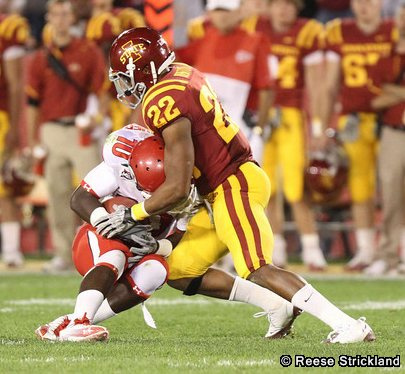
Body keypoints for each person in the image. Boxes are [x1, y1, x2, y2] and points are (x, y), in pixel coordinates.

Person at [103, 27, 375, 344]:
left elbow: (177, 186)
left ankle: (348, 325)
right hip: (220, 189)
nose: (123, 85)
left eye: (125, 75)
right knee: (179, 269)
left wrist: (132, 213)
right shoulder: (180, 71)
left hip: (233, 184)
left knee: (256, 266)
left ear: (143, 68)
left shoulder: (162, 100)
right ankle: (277, 307)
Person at [36, 124, 300, 341]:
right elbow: (79, 198)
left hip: (140, 250)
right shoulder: (119, 164)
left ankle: (75, 323)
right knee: (115, 251)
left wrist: (154, 247)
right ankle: (79, 320)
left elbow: (175, 238)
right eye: (147, 191)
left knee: (158, 271)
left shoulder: (183, 184)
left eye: (161, 192)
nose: (153, 198)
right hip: (97, 240)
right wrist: (108, 222)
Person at [25, 0, 108, 272]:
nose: (60, 20)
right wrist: (33, 139)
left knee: (94, 192)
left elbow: (102, 90)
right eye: (56, 15)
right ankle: (62, 252)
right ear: (49, 18)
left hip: (79, 128)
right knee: (57, 193)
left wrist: (98, 120)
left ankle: (99, 249)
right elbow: (32, 104)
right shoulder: (40, 57)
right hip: (51, 130)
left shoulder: (87, 51)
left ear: (72, 18)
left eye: (65, 14)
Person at [246, 0, 328, 269]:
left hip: (290, 115)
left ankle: (312, 248)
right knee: (267, 186)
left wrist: (317, 126)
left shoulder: (307, 32)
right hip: (262, 115)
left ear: (298, 8)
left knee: (295, 187)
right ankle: (276, 247)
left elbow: (316, 85)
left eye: (289, 5)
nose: (283, 10)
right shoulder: (256, 25)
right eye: (277, 4)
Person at [323, 0, 398, 270]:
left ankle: (394, 249)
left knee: (394, 187)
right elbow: (330, 85)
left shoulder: (394, 30)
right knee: (360, 187)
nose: (365, 6)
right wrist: (322, 125)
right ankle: (367, 250)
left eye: (370, 1)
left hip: (390, 119)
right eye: (359, 1)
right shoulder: (338, 31)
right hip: (354, 119)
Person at [178, 0, 272, 163]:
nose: (222, 16)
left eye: (227, 10)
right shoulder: (202, 39)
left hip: (242, 129)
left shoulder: (256, 41)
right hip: (204, 130)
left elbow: (267, 89)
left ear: (239, 12)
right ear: (210, 13)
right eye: (217, 10)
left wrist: (259, 131)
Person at [365, 1, 405, 275]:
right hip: (394, 132)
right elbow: (374, 99)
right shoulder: (386, 56)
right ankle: (388, 255)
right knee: (390, 196)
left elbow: (385, 93)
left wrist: (396, 92)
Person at [0, 2, 30, 267]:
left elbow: (16, 85)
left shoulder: (8, 27)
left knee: (3, 187)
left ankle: (11, 251)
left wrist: (13, 129)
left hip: (0, 116)